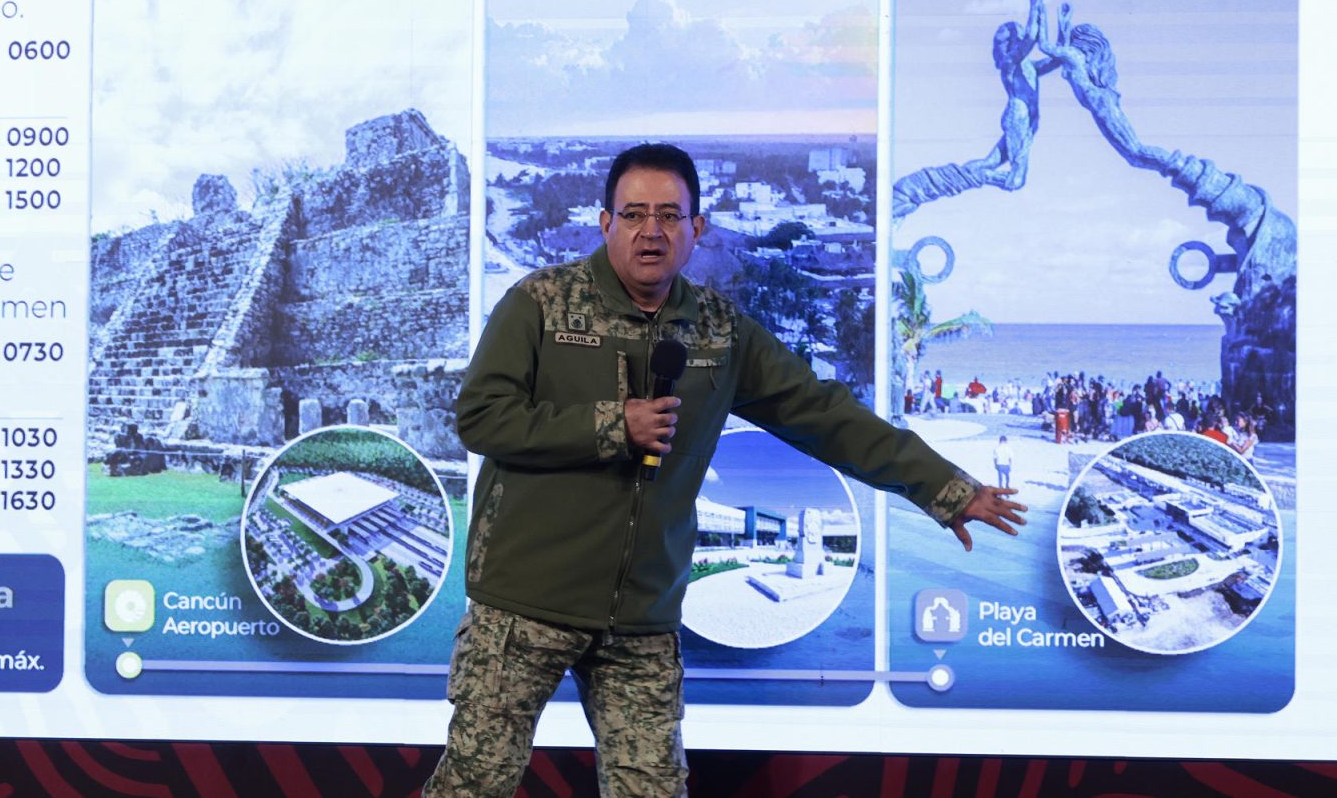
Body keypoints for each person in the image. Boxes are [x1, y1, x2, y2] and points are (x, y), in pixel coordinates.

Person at [424, 144, 1027, 797]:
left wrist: (944, 488)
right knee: (473, 785)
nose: (650, 231)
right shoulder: (538, 303)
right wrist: (611, 425)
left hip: (641, 618)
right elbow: (483, 418)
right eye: (632, 214)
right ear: (604, 223)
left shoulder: (718, 331)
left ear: (696, 229)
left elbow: (827, 414)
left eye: (669, 215)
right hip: (524, 605)